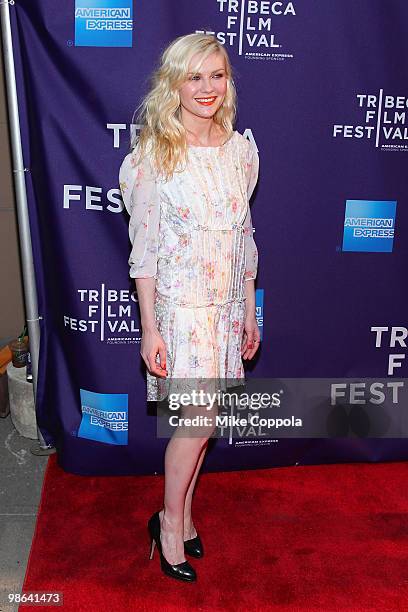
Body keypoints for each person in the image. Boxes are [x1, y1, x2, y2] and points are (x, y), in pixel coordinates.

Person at [119, 32, 261, 582]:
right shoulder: (154, 156)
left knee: (205, 424)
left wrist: (249, 310)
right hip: (182, 311)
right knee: (197, 422)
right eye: (194, 76)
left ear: (228, 82)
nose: (206, 88)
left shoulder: (239, 151)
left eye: (217, 75)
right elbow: (146, 252)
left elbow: (243, 235)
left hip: (225, 309)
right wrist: (148, 327)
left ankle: (185, 514)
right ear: (173, 84)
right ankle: (168, 523)